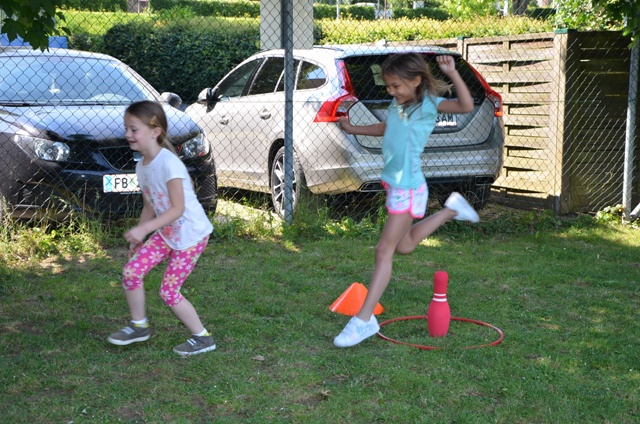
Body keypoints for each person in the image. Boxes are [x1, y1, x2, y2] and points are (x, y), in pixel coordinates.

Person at [333, 53, 481, 348]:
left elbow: (466, 106)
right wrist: (353, 129)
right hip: (396, 184)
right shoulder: (397, 105)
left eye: (396, 85)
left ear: (416, 81)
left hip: (409, 187)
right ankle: (451, 210)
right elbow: (385, 129)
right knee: (405, 244)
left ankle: (363, 321)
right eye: (388, 86)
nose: (391, 91)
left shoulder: (428, 105)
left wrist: (452, 73)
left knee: (384, 250)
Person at [107, 100, 216, 357]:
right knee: (132, 272)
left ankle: (202, 338)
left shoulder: (169, 164)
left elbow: (177, 209)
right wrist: (139, 236)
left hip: (191, 236)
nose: (127, 135)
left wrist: (145, 231)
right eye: (127, 129)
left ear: (155, 132)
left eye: (134, 129)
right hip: (167, 233)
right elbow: (151, 205)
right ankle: (138, 326)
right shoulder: (142, 166)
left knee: (168, 292)